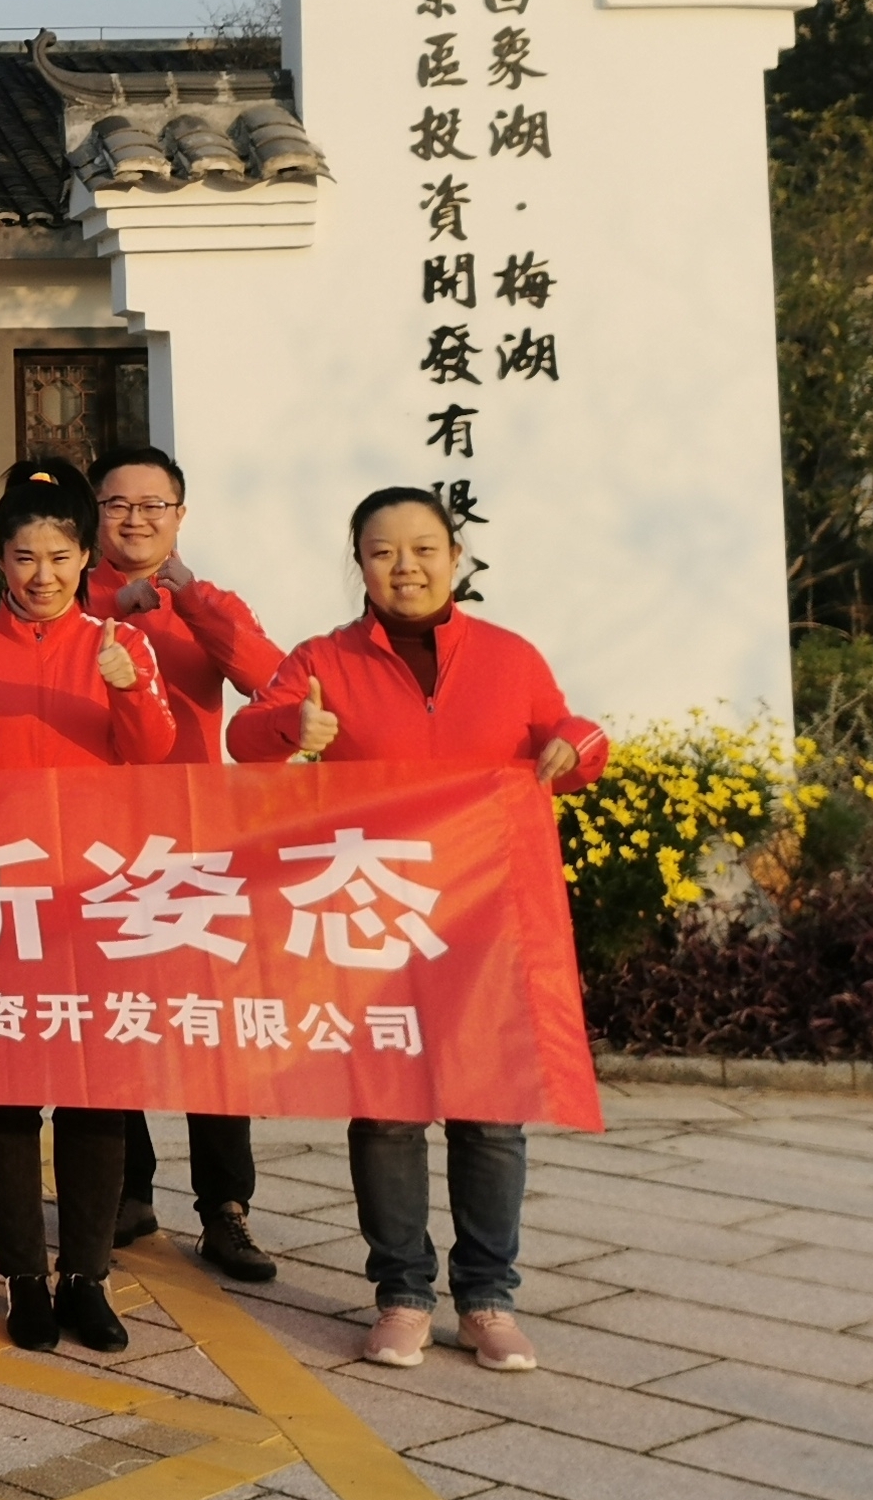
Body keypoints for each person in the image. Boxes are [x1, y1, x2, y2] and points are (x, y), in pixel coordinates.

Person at [230, 487, 607, 1375]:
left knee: (491, 1115)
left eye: (424, 549)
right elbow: (247, 739)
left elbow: (569, 741)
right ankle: (400, 1294)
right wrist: (291, 723)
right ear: (359, 563)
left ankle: (488, 1300)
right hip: (377, 917)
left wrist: (580, 741)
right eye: (383, 552)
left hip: (486, 921)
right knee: (388, 1114)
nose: (406, 567)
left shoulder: (509, 657)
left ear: (455, 558)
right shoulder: (323, 660)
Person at [0, 462, 174, 1355]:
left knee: (97, 1095)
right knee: (9, 1098)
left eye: (59, 557)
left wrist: (126, 686)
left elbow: (154, 753)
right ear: (1, 561)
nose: (42, 575)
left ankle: (87, 1276)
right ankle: (23, 1277)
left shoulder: (120, 645)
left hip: (96, 895)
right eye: (24, 558)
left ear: (85, 557)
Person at [81, 444, 289, 1286]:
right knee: (112, 1019)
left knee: (210, 1032)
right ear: (95, 512)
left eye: (153, 506)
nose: (135, 520)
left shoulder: (210, 601)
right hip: (97, 842)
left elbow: (272, 682)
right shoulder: (68, 595)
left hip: (196, 842)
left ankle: (225, 1207)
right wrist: (115, 609)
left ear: (179, 516)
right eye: (117, 504)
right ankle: (126, 1190)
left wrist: (190, 600)